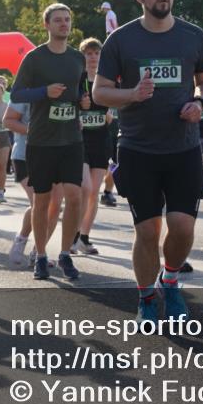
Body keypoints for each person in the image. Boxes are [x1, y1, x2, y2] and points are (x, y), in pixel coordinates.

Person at [93, 0, 203, 322]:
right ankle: (146, 297)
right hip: (138, 148)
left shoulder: (193, 36)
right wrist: (131, 94)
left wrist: (200, 102)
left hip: (184, 146)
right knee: (147, 230)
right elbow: (100, 93)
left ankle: (171, 280)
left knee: (182, 226)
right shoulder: (121, 40)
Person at [10, 3, 87, 281]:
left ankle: (65, 254)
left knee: (75, 197)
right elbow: (17, 94)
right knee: (41, 202)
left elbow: (82, 92)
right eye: (58, 20)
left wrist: (83, 101)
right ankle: (40, 256)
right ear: (47, 25)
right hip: (41, 141)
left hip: (71, 140)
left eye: (67, 20)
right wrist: (45, 91)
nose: (64, 24)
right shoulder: (34, 58)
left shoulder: (77, 58)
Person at [75, 37, 114, 255]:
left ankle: (84, 238)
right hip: (80, 140)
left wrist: (110, 113)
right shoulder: (77, 79)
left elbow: (117, 102)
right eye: (88, 53)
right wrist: (79, 105)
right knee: (85, 187)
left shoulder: (106, 79)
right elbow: (67, 101)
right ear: (83, 56)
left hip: (101, 139)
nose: (92, 57)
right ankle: (72, 235)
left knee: (93, 192)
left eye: (96, 53)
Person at [4, 100, 34, 267]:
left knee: (52, 206)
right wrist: (37, 130)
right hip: (24, 155)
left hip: (53, 153)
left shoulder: (62, 86)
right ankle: (21, 240)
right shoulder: (24, 89)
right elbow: (8, 121)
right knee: (38, 202)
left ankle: (38, 252)